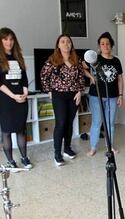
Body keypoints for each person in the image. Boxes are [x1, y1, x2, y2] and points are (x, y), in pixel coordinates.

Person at [41, 34, 85, 166]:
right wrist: (49, 90)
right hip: (58, 95)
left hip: (73, 96)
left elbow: (81, 77)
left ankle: (67, 148)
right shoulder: (52, 60)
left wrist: (79, 91)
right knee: (60, 123)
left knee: (69, 123)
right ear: (58, 45)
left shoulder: (76, 59)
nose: (66, 44)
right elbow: (44, 76)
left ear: (71, 45)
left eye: (68, 42)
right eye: (63, 42)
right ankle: (57, 153)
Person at [86, 32, 123, 157]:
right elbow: (82, 66)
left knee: (110, 123)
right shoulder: (94, 58)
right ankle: (93, 147)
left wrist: (121, 95)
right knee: (97, 122)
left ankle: (110, 146)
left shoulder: (116, 61)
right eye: (102, 43)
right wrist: (91, 76)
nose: (105, 46)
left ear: (111, 45)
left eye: (107, 43)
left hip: (112, 96)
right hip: (96, 96)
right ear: (99, 46)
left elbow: (120, 79)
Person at [0, 27, 32, 169]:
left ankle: (24, 158)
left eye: (11, 39)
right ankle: (11, 161)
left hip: (21, 100)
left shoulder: (18, 57)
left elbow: (24, 79)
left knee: (21, 130)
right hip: (6, 101)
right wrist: (13, 96)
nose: (9, 42)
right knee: (6, 131)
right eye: (5, 39)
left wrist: (25, 93)